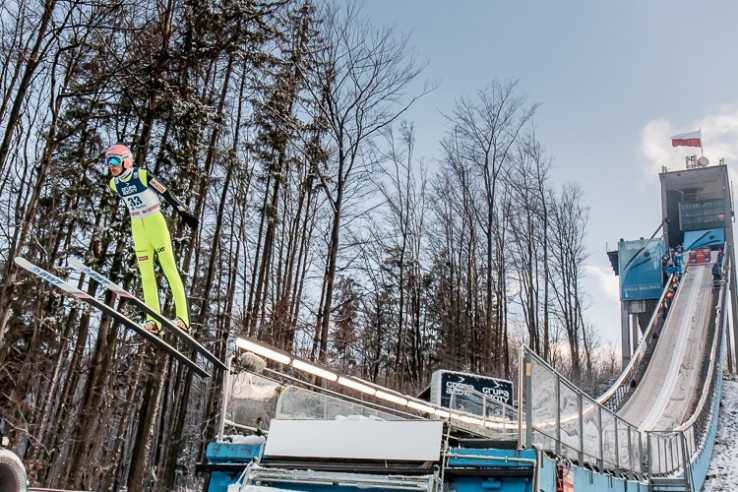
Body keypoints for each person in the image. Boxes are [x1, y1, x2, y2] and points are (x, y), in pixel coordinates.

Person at [105, 144, 198, 334]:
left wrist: (183, 212)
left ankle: (183, 319)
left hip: (155, 222)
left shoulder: (141, 175)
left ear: (126, 161)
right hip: (138, 227)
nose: (111, 165)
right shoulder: (114, 184)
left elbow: (166, 192)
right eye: (108, 161)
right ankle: (153, 321)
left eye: (114, 160)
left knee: (169, 269)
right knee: (146, 274)